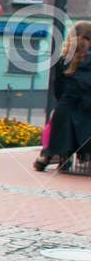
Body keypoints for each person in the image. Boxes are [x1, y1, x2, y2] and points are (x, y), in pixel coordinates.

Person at [36, 20, 91, 172]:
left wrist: (63, 101)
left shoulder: (63, 59)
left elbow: (57, 86)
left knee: (59, 121)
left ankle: (50, 156)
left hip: (65, 106)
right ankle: (85, 156)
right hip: (87, 108)